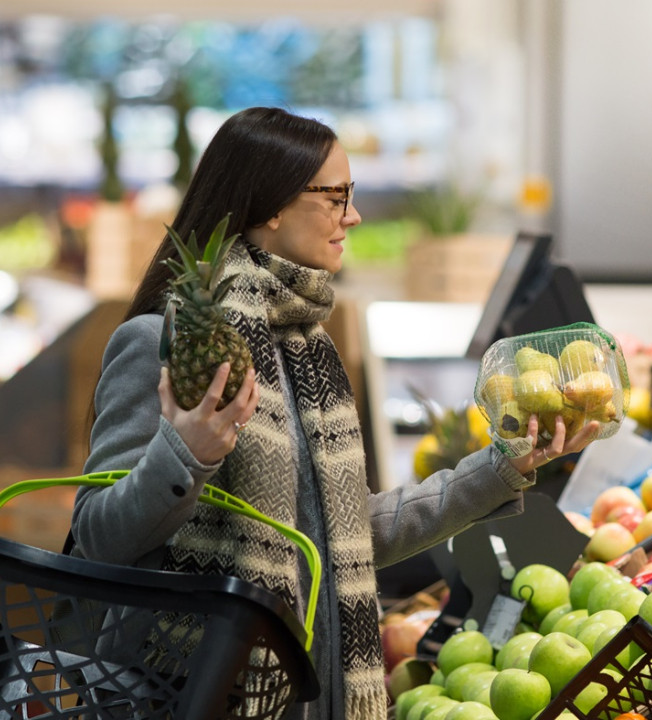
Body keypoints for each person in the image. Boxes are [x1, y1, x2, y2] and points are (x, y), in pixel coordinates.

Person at [71, 106, 599, 720]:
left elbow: (347, 536)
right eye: (336, 196)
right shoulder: (163, 343)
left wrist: (502, 468)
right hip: (189, 697)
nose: (353, 215)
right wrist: (184, 456)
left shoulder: (308, 351)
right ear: (272, 207)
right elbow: (97, 537)